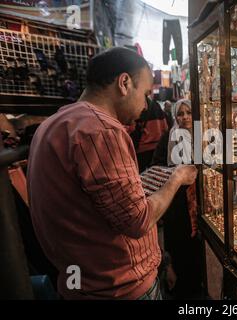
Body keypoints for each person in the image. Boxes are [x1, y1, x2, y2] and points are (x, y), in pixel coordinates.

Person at [27, 47, 197, 300]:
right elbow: (137, 220)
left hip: (82, 281)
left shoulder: (57, 122)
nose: (146, 104)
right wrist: (178, 177)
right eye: (145, 93)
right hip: (118, 286)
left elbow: (95, 200)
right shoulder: (100, 130)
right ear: (124, 83)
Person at [151, 99, 203, 299]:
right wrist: (176, 176)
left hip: (197, 202)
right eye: (180, 114)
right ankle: (179, 289)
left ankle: (197, 285)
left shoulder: (201, 136)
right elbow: (156, 167)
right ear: (175, 116)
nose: (185, 117)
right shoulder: (167, 138)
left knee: (196, 245)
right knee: (179, 243)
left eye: (189, 112)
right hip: (176, 203)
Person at [128, 97, 169, 173]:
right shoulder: (156, 106)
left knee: (142, 175)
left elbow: (131, 128)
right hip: (157, 148)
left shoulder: (138, 106)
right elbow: (165, 127)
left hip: (142, 150)